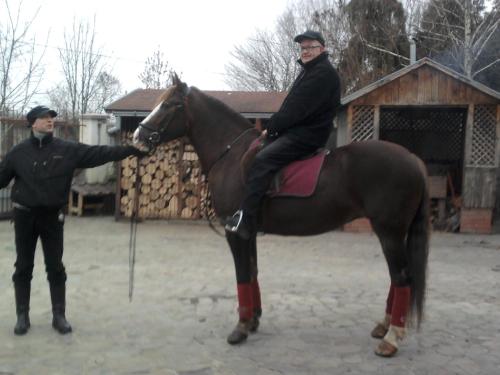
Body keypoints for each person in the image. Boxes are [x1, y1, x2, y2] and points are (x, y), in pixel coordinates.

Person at [0, 105, 147, 335]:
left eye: (51, 118)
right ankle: (22, 315)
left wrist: (129, 150)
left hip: (52, 217)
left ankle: (59, 315)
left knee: (55, 267)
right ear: (33, 123)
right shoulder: (18, 153)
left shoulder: (66, 149)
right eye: (44, 118)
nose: (50, 121)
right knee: (23, 267)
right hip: (24, 217)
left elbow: (99, 153)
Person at [225, 30, 341, 239]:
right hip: (299, 130)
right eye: (303, 48)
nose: (305, 51)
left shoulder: (322, 73)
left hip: (307, 135)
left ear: (322, 49)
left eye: (310, 47)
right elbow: (294, 107)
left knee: (262, 160)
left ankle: (247, 220)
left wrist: (274, 127)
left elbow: (298, 109)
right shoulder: (310, 71)